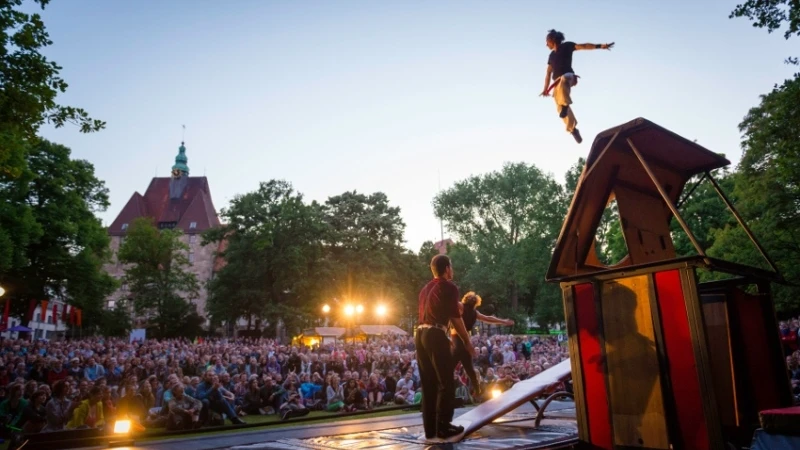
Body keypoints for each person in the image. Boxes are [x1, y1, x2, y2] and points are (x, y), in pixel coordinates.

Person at [416, 254, 475, 441]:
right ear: (447, 268)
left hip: (420, 334)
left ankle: (430, 429)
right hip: (435, 334)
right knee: (446, 382)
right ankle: (443, 427)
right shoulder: (449, 286)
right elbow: (456, 319)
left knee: (429, 383)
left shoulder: (425, 289)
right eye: (452, 266)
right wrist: (467, 341)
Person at [540, 29, 614, 143]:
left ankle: (565, 105)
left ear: (552, 40)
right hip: (556, 84)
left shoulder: (567, 46)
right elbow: (548, 73)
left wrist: (600, 46)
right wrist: (545, 89)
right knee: (560, 109)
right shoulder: (551, 56)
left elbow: (584, 46)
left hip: (569, 77)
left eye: (547, 41)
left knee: (564, 80)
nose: (546, 44)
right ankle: (573, 129)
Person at [451, 292, 514, 399]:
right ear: (476, 303)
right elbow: (489, 318)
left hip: (458, 340)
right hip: (465, 343)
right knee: (469, 369)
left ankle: (441, 390)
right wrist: (503, 321)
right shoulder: (475, 313)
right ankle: (477, 389)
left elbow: (450, 301)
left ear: (465, 299)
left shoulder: (461, 306)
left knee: (449, 368)